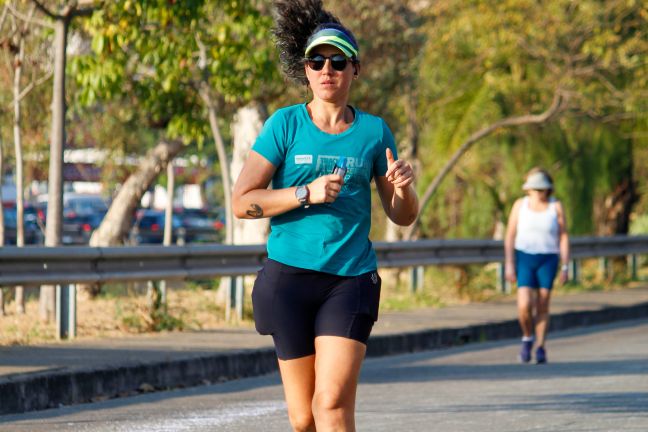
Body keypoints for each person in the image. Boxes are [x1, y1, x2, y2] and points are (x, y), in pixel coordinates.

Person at [232, 1, 418, 430]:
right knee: (303, 420)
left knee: (331, 405)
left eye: (337, 61)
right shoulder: (285, 125)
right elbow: (242, 202)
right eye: (317, 60)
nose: (326, 69)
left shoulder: (374, 131)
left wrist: (405, 190)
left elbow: (402, 215)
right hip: (289, 279)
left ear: (355, 70)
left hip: (350, 279)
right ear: (306, 70)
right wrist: (304, 193)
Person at [504, 167, 570, 364]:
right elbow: (510, 235)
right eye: (535, 189)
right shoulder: (520, 205)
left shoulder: (555, 206)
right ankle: (527, 337)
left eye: (542, 189)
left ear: (548, 189)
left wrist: (565, 266)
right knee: (524, 304)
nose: (539, 193)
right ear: (528, 189)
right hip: (525, 257)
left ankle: (540, 346)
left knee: (543, 303)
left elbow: (563, 236)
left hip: (548, 258)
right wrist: (509, 263)